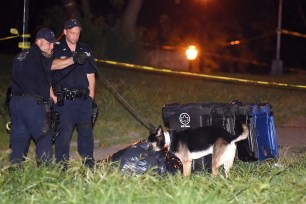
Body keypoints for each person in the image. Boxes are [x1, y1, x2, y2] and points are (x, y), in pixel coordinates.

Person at [9, 27, 82, 166]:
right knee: (44, 138)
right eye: (49, 43)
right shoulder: (40, 55)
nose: (52, 47)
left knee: (19, 143)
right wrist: (73, 59)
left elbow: (38, 77)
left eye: (54, 44)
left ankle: (15, 175)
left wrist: (52, 95)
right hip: (33, 105)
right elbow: (52, 65)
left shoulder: (20, 56)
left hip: (16, 104)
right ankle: (45, 175)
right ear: (40, 41)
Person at [51, 19, 97, 167]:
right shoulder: (56, 49)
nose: (75, 36)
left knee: (86, 134)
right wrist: (52, 96)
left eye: (78, 33)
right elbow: (50, 67)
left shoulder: (86, 49)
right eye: (72, 33)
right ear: (65, 32)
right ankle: (62, 167)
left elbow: (91, 75)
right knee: (63, 136)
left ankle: (88, 166)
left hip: (84, 100)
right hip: (64, 100)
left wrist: (91, 97)